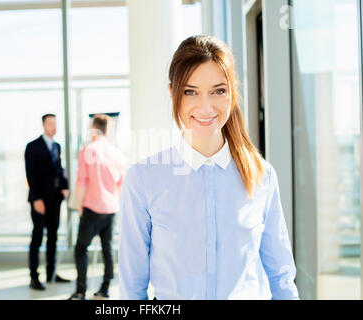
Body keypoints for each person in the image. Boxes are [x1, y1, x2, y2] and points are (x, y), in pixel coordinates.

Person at [118, 35, 299, 300]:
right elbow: (132, 288)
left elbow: (281, 278)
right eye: (190, 91)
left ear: (232, 92)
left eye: (218, 90)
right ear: (173, 93)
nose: (205, 107)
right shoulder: (143, 179)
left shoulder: (262, 175)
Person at [68, 115, 125, 300]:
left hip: (92, 208)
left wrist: (79, 206)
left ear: (93, 127)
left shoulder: (87, 150)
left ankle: (80, 291)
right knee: (107, 250)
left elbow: (81, 182)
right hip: (111, 208)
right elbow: (121, 181)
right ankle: (105, 289)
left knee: (81, 249)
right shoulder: (116, 152)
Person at [25, 113, 71, 290]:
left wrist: (65, 187)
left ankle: (51, 273)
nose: (54, 127)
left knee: (53, 237)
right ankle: (34, 276)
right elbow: (30, 174)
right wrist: (36, 198)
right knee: (37, 237)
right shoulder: (33, 146)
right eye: (50, 123)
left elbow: (60, 169)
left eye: (55, 123)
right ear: (43, 125)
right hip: (39, 200)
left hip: (55, 200)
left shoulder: (57, 146)